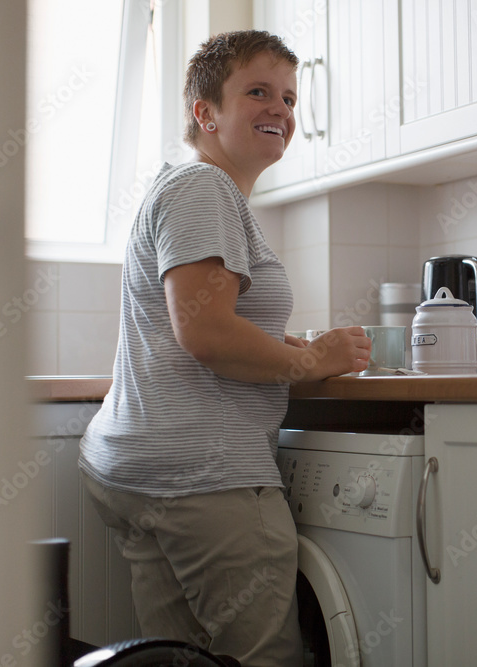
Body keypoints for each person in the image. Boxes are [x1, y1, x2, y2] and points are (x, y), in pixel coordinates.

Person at [78, 30, 370, 667]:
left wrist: (281, 346)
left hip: (142, 469)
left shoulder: (192, 191)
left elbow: (197, 325)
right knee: (261, 657)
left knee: (185, 660)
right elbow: (205, 332)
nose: (281, 110)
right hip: (203, 475)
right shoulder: (203, 189)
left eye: (289, 98)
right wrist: (312, 360)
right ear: (204, 113)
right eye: (258, 92)